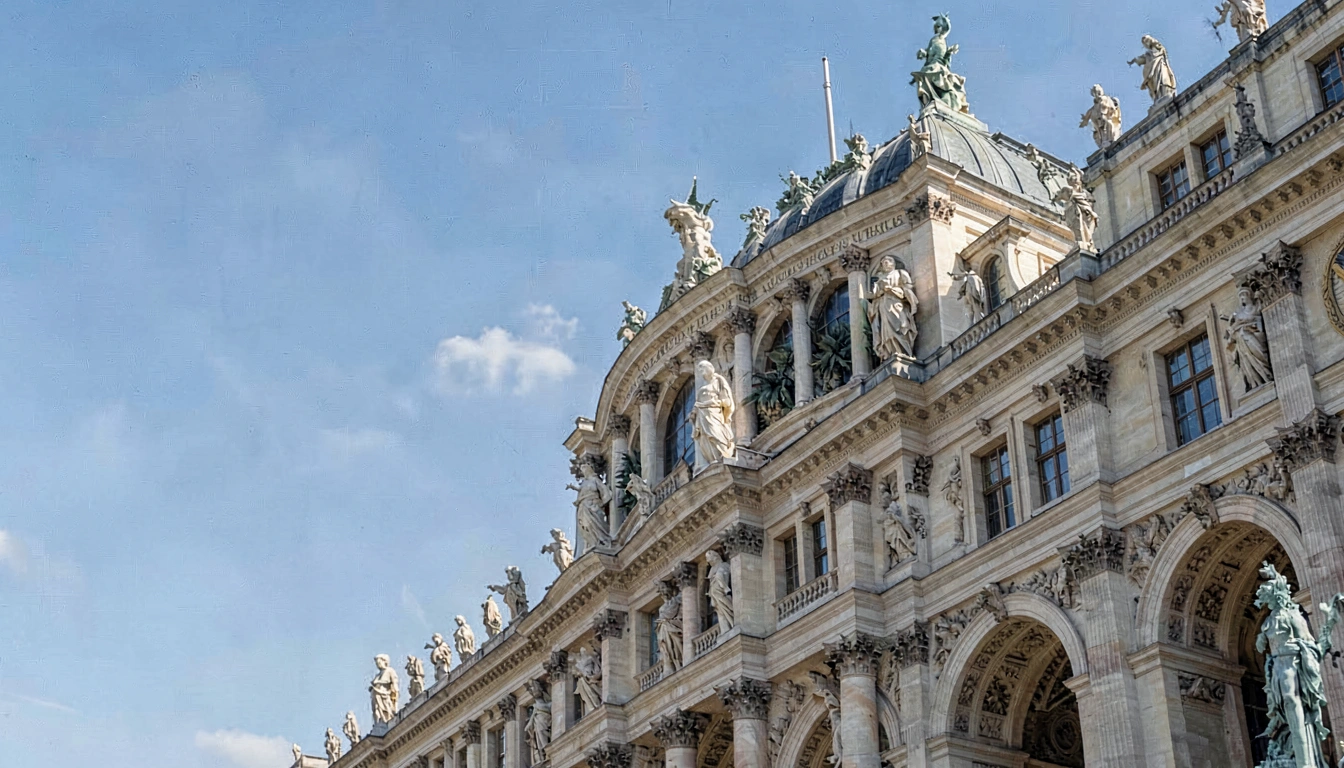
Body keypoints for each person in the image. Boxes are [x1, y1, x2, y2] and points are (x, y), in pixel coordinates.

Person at [910, 15, 969, 113]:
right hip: (930, 68)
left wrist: (950, 51)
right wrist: (923, 53)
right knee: (927, 89)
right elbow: (928, 53)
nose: (937, 29)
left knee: (943, 87)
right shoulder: (933, 40)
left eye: (938, 26)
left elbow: (945, 59)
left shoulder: (943, 39)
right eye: (936, 27)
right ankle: (931, 106)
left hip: (939, 68)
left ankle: (944, 107)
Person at [868, 255, 920, 359]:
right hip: (883, 306)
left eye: (887, 262)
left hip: (896, 304)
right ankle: (891, 352)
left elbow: (907, 290)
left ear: (893, 263)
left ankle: (905, 353)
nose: (885, 264)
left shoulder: (900, 273)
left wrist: (891, 290)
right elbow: (875, 296)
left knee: (901, 326)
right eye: (883, 263)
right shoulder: (880, 279)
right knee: (887, 333)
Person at [692, 360, 736, 464]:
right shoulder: (702, 389)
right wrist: (693, 413)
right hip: (702, 416)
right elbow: (697, 404)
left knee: (716, 434)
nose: (701, 371)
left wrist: (711, 403)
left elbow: (727, 401)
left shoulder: (719, 381)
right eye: (700, 369)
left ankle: (722, 454)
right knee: (704, 438)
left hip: (714, 414)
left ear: (709, 367)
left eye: (703, 368)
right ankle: (712, 459)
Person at [1128, 35, 1177, 104]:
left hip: (1161, 66)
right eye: (1144, 43)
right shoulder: (1148, 54)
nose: (1146, 44)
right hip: (1153, 70)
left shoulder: (1159, 48)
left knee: (1164, 80)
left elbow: (1162, 54)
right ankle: (1159, 97)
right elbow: (1141, 59)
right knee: (1156, 83)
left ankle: (1165, 95)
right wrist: (1134, 60)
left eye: (1146, 41)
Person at [706, 550, 734, 630]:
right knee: (719, 609)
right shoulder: (713, 569)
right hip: (714, 593)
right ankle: (725, 629)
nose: (709, 562)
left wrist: (725, 588)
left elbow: (722, 575)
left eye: (709, 559)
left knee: (724, 605)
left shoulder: (723, 565)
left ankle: (731, 618)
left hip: (720, 591)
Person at [368, 654, 399, 725]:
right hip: (376, 695)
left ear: (384, 661)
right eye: (376, 664)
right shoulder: (377, 675)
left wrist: (378, 682)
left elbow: (393, 681)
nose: (377, 665)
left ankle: (386, 720)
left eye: (379, 662)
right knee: (376, 710)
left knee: (386, 709)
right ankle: (378, 723)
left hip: (384, 695)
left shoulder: (389, 670)